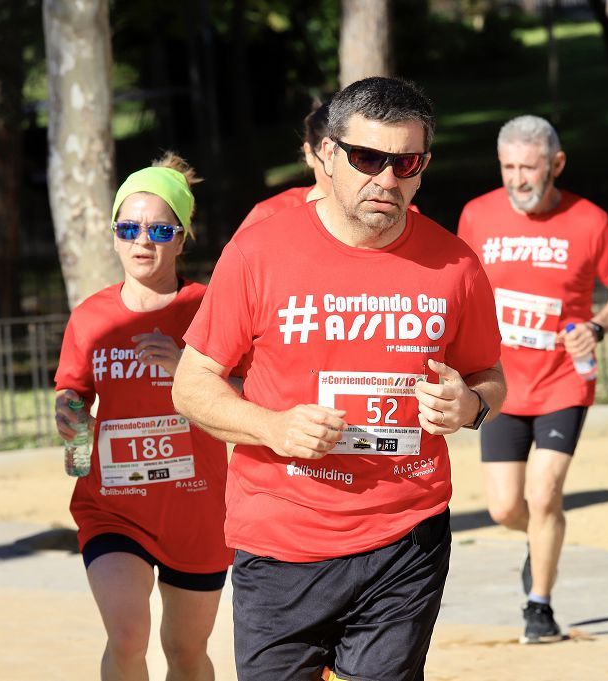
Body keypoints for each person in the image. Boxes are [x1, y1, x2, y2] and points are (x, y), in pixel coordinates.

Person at [172, 77, 506, 681]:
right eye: (368, 158)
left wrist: (471, 405)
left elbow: (490, 378)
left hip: (406, 532)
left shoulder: (456, 265)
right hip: (281, 538)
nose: (386, 179)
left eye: (406, 162)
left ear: (423, 167)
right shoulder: (258, 254)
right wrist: (272, 427)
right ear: (327, 155)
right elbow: (192, 385)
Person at [457, 115, 608, 645]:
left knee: (544, 495)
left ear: (556, 164)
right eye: (508, 167)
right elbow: (456, 285)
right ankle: (540, 543)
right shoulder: (477, 215)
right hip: (498, 384)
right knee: (504, 507)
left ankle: (539, 607)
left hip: (564, 381)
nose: (517, 179)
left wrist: (596, 325)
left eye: (529, 167)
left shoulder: (589, 221)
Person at [54, 152, 232, 680]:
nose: (142, 241)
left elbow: (252, 390)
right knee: (128, 635)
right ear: (114, 234)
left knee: (185, 650)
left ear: (182, 237)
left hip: (197, 510)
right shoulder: (92, 316)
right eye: (128, 227)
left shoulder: (208, 307)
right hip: (113, 506)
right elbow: (72, 392)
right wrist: (73, 432)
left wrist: (188, 369)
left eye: (159, 229)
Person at [236, 100, 332, 231]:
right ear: (310, 154)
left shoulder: (367, 216)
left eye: (362, 160)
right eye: (331, 160)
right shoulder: (268, 215)